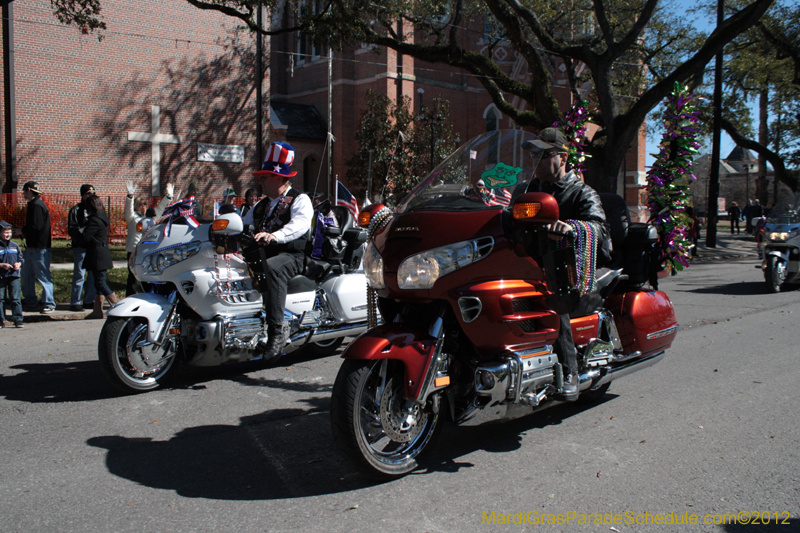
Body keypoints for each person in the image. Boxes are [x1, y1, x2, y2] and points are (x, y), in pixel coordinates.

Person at [527, 128, 608, 401]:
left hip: (570, 271)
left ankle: (569, 371)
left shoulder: (581, 192)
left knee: (555, 290)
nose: (536, 159)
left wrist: (573, 228)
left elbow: (600, 229)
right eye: (533, 154)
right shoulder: (528, 190)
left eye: (543, 154)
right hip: (529, 265)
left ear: (562, 157)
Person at [242, 142, 313, 360]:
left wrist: (275, 236)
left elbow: (300, 224)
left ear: (279, 178)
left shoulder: (300, 199)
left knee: (272, 268)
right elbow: (242, 224)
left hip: (293, 255)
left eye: (264, 177)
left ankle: (276, 333)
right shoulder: (260, 206)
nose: (260, 181)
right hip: (263, 254)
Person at [124, 181, 174, 296]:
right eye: (141, 204)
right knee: (132, 276)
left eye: (145, 204)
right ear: (136, 206)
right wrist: (130, 197)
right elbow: (128, 210)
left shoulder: (150, 218)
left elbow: (160, 210)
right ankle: (130, 296)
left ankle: (148, 295)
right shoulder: (132, 218)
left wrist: (168, 197)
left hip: (146, 250)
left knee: (147, 274)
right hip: (133, 250)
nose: (143, 206)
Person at [16, 181, 55, 314]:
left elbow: (36, 226)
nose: (23, 194)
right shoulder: (35, 204)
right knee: (26, 274)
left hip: (40, 248)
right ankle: (30, 299)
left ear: (28, 190)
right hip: (32, 246)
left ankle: (49, 303)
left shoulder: (37, 205)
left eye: (24, 191)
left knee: (43, 275)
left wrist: (22, 230)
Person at [78, 195, 119, 319]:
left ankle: (117, 306)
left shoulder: (94, 221)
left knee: (101, 282)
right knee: (98, 283)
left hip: (97, 255)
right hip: (100, 253)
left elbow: (85, 237)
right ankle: (97, 310)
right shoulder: (101, 218)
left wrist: (78, 231)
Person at [67, 184, 97, 312]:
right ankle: (75, 301)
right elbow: (72, 229)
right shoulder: (76, 210)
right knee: (80, 274)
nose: (91, 196)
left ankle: (89, 300)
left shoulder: (96, 209)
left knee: (92, 275)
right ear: (83, 195)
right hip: (80, 247)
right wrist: (81, 235)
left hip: (93, 246)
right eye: (88, 194)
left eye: (93, 193)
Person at [0, 221, 24, 328]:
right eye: (5, 232)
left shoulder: (15, 246)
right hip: (1, 276)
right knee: (1, 298)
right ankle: (1, 320)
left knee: (15, 298)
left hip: (14, 275)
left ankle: (18, 319)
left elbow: (21, 259)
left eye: (9, 232)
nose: (8, 234)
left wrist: (19, 264)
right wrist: (1, 265)